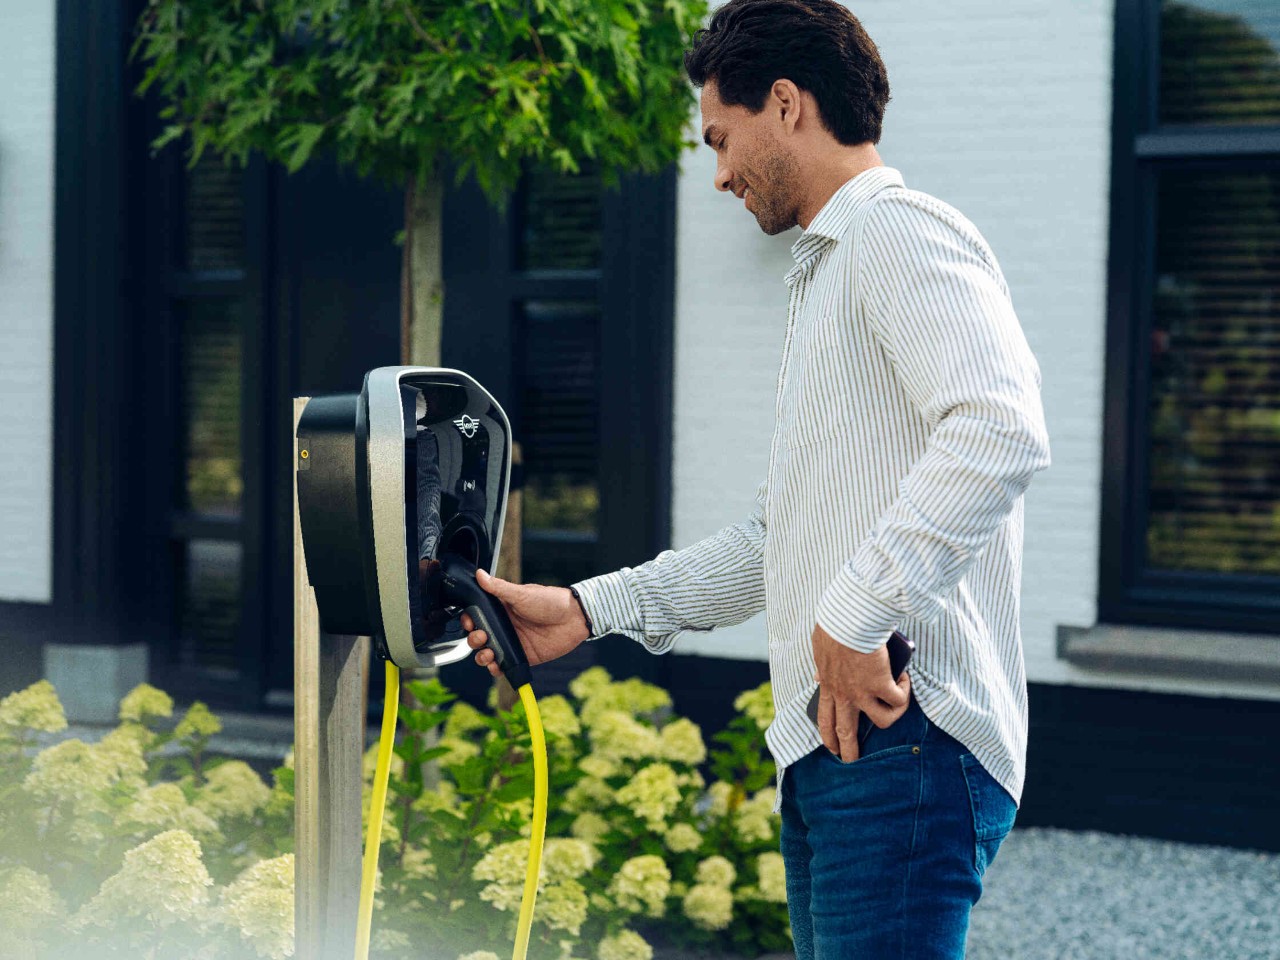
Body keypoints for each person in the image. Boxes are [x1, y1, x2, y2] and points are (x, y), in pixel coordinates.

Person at [464, 1, 1051, 956]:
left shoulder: (898, 234)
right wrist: (585, 609)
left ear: (786, 104)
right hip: (844, 751)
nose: (722, 173)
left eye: (721, 139)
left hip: (905, 741)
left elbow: (1000, 428)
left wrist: (855, 614)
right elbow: (777, 547)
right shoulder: (827, 272)